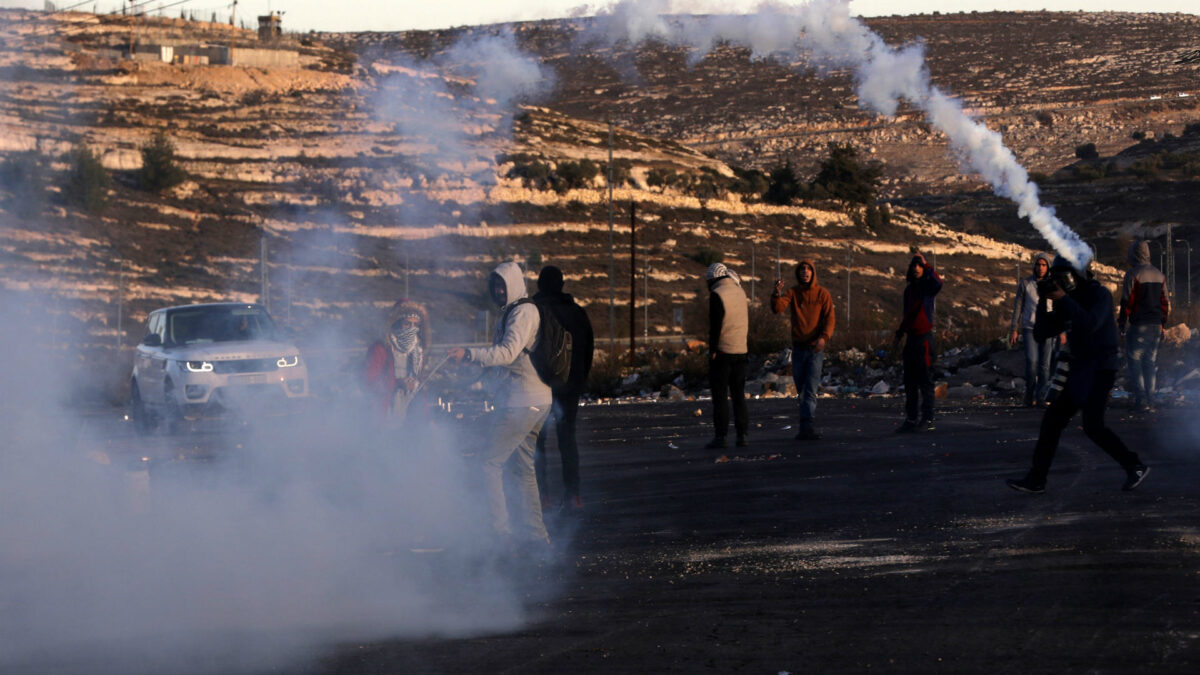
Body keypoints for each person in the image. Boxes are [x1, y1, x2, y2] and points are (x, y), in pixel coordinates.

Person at [1007, 256, 1149, 493]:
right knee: (1053, 422)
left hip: (1101, 368)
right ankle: (1037, 479)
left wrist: (1063, 300)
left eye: (1063, 277)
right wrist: (1044, 301)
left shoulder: (1099, 295)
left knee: (1093, 426)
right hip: (1081, 369)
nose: (1060, 283)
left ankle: (1134, 465)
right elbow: (1043, 332)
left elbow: (1091, 323)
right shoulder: (1068, 300)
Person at [447, 262, 552, 551]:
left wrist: (469, 354)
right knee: (522, 469)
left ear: (514, 283)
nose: (498, 290)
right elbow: (506, 364)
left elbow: (506, 354)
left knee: (487, 463)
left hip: (523, 402)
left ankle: (499, 535)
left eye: (502, 284)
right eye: (495, 285)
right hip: (532, 400)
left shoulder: (522, 312)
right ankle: (536, 536)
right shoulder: (510, 313)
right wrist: (471, 376)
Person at [532, 265, 594, 512]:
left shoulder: (535, 311)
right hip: (569, 387)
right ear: (562, 284)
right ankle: (573, 494)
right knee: (567, 439)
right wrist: (579, 381)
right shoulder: (577, 312)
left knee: (538, 442)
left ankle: (542, 495)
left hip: (541, 385)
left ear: (539, 284)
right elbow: (588, 349)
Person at [771, 259, 835, 440]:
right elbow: (778, 308)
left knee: (810, 388)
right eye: (802, 269)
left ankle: (806, 425)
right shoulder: (793, 292)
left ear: (813, 272)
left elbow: (830, 319)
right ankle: (805, 424)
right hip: (798, 348)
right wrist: (776, 293)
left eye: (808, 269)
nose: (805, 272)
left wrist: (824, 338)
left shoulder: (822, 294)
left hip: (815, 348)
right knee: (801, 387)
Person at [1118, 239, 1170, 412]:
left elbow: (1127, 301)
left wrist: (1122, 323)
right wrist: (1163, 323)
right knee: (1149, 362)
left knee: (1135, 361)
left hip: (1139, 324)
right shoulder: (1159, 274)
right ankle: (1151, 398)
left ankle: (1141, 400)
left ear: (1133, 254)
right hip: (1155, 324)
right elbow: (1165, 302)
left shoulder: (1132, 275)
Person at [893, 252, 943, 432]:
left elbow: (938, 283)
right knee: (910, 382)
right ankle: (911, 418)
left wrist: (927, 264)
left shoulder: (927, 289)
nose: (916, 269)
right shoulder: (909, 291)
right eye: (914, 266)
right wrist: (899, 334)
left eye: (919, 266)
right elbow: (907, 315)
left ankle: (927, 418)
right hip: (911, 339)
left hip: (924, 340)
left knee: (926, 380)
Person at [704, 262, 749, 449]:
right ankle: (742, 435)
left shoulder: (717, 294)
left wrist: (712, 350)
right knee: (739, 396)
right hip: (741, 351)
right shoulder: (741, 292)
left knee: (721, 397)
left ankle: (721, 437)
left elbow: (716, 327)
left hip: (723, 352)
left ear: (713, 278)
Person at [363, 300, 429, 427]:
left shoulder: (418, 351)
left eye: (415, 325)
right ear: (397, 323)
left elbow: (421, 387)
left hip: (410, 413)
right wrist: (398, 382)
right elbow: (369, 381)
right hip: (384, 413)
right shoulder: (381, 348)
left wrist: (427, 419)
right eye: (407, 324)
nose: (411, 329)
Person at [1009, 252, 1057, 407]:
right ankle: (1029, 395)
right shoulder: (1025, 284)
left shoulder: (1052, 284)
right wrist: (1014, 329)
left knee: (1045, 365)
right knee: (1032, 362)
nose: (1041, 268)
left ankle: (1041, 396)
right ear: (1034, 266)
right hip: (1030, 328)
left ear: (1048, 267)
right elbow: (1018, 307)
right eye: (1038, 264)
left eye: (1044, 265)